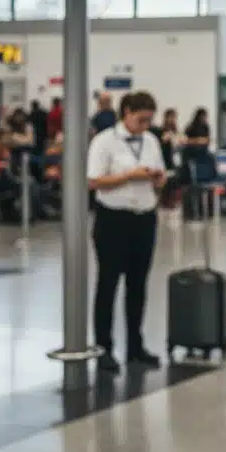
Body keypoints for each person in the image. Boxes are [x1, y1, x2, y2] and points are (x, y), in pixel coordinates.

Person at [87, 91, 167, 374]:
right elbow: (94, 181)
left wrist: (159, 180)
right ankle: (103, 347)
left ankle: (135, 345)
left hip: (144, 218)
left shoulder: (151, 141)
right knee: (108, 284)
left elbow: (160, 175)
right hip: (113, 220)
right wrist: (128, 176)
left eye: (149, 121)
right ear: (126, 112)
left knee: (138, 284)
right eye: (141, 119)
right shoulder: (104, 141)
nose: (145, 125)